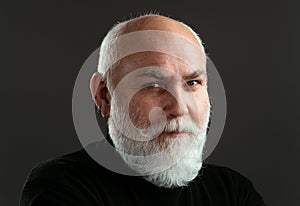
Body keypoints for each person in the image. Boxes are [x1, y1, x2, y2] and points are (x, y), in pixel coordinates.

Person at [20, 14, 265, 206]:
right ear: (104, 96)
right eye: (153, 85)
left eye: (192, 83)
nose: (179, 108)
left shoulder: (232, 191)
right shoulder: (62, 187)